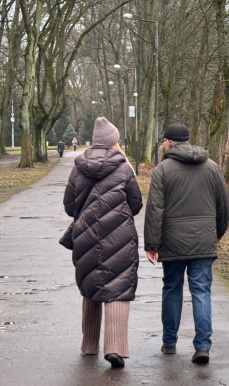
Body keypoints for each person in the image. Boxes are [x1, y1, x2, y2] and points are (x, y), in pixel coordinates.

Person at [144, 123, 229, 364]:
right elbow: (223, 203)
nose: (163, 144)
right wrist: (218, 233)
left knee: (172, 289)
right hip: (204, 239)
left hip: (172, 241)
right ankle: (202, 345)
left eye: (164, 141)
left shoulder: (162, 169)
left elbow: (155, 209)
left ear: (170, 142)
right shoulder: (212, 167)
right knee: (201, 291)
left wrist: (152, 244)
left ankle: (169, 343)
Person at [63, 117, 142, 369]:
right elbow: (136, 203)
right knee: (118, 287)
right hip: (119, 236)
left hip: (85, 235)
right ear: (114, 140)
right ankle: (115, 348)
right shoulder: (123, 167)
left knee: (90, 286)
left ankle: (89, 345)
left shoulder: (78, 167)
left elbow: (68, 205)